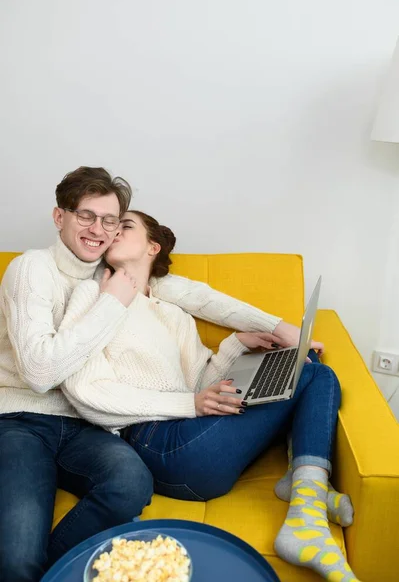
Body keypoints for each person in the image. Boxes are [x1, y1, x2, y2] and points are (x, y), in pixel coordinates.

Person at [0, 166, 320, 582]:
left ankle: (56, 575)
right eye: (85, 216)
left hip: (89, 425)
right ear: (60, 217)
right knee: (16, 557)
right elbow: (41, 373)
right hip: (23, 419)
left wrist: (276, 330)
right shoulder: (33, 269)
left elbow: (193, 296)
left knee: (131, 484)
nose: (99, 230)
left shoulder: (115, 275)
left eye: (110, 221)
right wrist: (112, 302)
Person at [61, 210, 360, 582]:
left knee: (314, 369)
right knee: (309, 372)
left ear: (152, 247)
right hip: (154, 442)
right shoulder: (93, 295)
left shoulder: (172, 312)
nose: (111, 231)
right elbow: (88, 393)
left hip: (192, 432)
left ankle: (305, 495)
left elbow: (199, 383)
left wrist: (238, 345)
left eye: (125, 226)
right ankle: (308, 497)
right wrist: (190, 404)